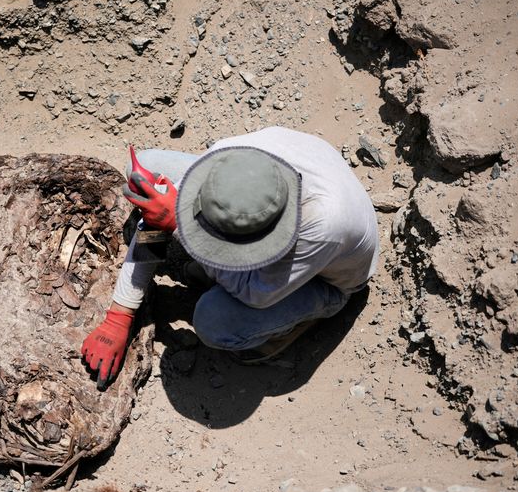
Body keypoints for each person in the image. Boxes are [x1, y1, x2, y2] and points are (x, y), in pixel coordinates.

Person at [80, 126, 380, 385]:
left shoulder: (323, 224)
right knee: (148, 166)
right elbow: (155, 222)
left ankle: (296, 320)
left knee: (215, 322)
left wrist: (181, 228)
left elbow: (255, 293)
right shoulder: (228, 153)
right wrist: (119, 317)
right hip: (298, 201)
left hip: (326, 279)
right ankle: (214, 263)